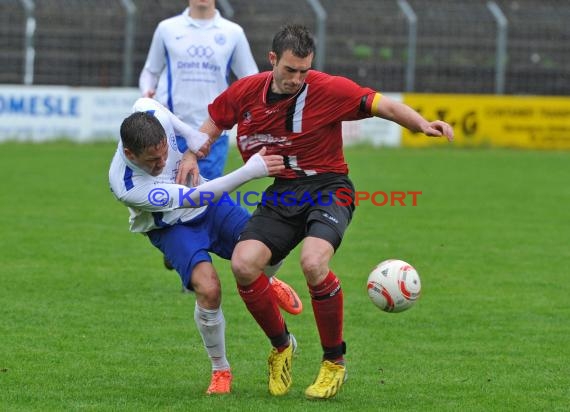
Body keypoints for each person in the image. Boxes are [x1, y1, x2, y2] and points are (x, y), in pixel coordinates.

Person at [177, 24, 454, 399]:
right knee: (243, 265)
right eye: (290, 70)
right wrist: (194, 151)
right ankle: (281, 346)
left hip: (329, 188)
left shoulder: (325, 88)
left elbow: (382, 104)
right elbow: (214, 121)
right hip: (285, 194)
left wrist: (422, 124)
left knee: (313, 262)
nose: (297, 79)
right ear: (272, 60)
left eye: (304, 70)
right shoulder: (246, 91)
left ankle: (333, 363)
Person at [109, 97, 302, 395]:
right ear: (129, 153)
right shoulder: (128, 186)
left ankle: (269, 279)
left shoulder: (147, 115)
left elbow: (146, 100)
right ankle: (220, 369)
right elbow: (194, 198)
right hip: (173, 226)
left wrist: (190, 140)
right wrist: (250, 171)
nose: (162, 164)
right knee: (209, 289)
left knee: (265, 251)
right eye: (153, 161)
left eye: (164, 154)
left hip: (212, 206)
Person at [139, 0, 258, 180]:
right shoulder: (167, 28)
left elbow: (250, 79)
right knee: (167, 195)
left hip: (213, 132)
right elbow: (150, 71)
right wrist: (147, 91)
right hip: (171, 129)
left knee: (204, 197)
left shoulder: (233, 32)